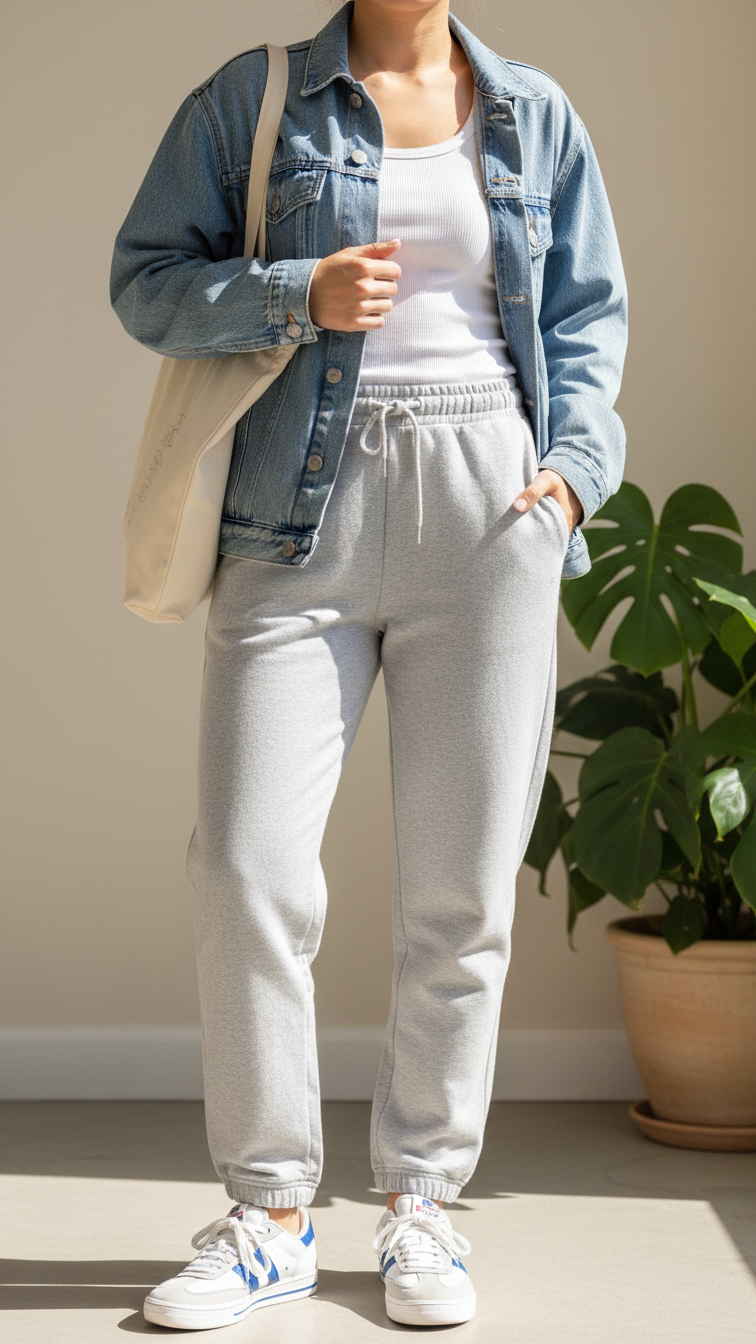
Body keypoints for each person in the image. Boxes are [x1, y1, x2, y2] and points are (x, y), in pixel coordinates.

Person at [111, 0, 627, 1329]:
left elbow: (586, 322)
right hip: (294, 512)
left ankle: (420, 1208)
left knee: (460, 894)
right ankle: (271, 1213)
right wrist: (294, 291)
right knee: (246, 863)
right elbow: (146, 278)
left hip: (487, 509)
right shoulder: (256, 95)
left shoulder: (533, 113)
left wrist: (568, 485)